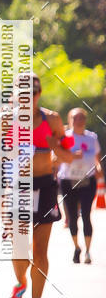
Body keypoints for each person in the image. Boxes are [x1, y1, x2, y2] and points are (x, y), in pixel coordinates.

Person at [0, 74, 75, 298]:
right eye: (22, 94)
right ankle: (21, 282)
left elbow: (68, 155)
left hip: (45, 186)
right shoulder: (4, 120)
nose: (27, 99)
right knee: (19, 247)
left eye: (31, 94)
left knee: (41, 251)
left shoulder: (52, 120)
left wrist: (54, 147)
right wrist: (9, 152)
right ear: (15, 95)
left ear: (39, 93)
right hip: (17, 187)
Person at [58, 108, 102, 264]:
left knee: (86, 215)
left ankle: (88, 251)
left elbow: (97, 159)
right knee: (72, 217)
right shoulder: (66, 137)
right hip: (68, 180)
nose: (79, 121)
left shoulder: (91, 138)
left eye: (82, 117)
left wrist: (99, 171)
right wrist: (71, 156)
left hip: (87, 181)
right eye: (76, 118)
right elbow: (57, 158)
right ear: (71, 120)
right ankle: (77, 247)